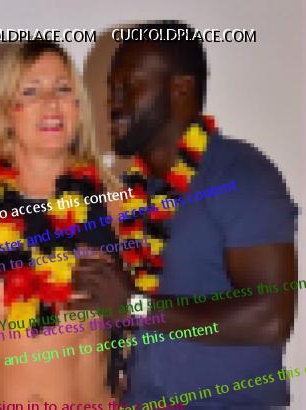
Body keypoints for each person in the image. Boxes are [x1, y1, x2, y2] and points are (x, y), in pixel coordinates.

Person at [105, 20, 297, 409]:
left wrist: (136, 307)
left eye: (129, 86)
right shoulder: (130, 192)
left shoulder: (241, 174)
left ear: (181, 88)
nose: (114, 100)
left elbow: (270, 318)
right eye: (111, 88)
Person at [0, 41, 130, 405]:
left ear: (78, 107)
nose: (51, 103)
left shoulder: (113, 203)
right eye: (31, 91)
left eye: (63, 88)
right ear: (5, 111)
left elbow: (149, 313)